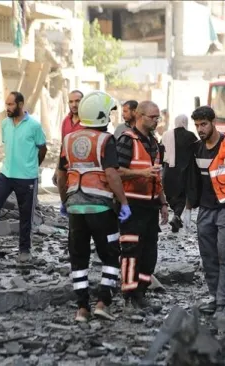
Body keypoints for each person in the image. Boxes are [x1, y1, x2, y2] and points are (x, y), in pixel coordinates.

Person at [56, 91, 131, 322]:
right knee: (110, 255)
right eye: (108, 113)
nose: (110, 116)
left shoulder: (68, 139)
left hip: (76, 208)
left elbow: (61, 174)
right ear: (101, 115)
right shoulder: (105, 140)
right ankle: (102, 302)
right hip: (100, 208)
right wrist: (124, 202)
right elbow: (111, 174)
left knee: (78, 258)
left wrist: (64, 200)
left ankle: (82, 308)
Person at [182, 106, 225, 318]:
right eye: (197, 125)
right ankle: (215, 298)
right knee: (208, 256)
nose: (200, 129)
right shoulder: (196, 149)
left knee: (224, 256)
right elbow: (193, 181)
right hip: (206, 209)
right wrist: (188, 208)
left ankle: (224, 304)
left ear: (213, 122)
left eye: (203, 124)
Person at [0, 92, 47, 262]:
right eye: (6, 104)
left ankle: (24, 250)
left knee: (26, 214)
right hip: (6, 174)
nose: (8, 108)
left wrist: (32, 166)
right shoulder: (5, 124)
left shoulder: (34, 126)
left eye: (11, 104)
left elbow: (42, 149)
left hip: (26, 178)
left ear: (20, 104)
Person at [116, 100, 170, 308]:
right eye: (153, 117)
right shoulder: (127, 140)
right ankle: (129, 294)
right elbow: (116, 171)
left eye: (158, 117)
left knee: (149, 253)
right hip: (131, 205)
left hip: (150, 206)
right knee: (131, 250)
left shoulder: (154, 143)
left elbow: (157, 177)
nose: (157, 120)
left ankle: (142, 291)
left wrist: (163, 203)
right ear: (140, 116)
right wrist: (141, 173)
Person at [162, 114, 198, 232]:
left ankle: (176, 216)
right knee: (182, 195)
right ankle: (177, 216)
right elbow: (197, 150)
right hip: (184, 171)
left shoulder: (166, 135)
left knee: (171, 195)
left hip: (168, 171)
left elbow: (161, 150)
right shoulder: (190, 136)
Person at [53, 90, 84, 188]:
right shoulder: (66, 121)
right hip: (67, 165)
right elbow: (63, 146)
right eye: (71, 102)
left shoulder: (89, 121)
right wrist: (57, 169)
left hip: (83, 168)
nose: (74, 105)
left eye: (77, 101)